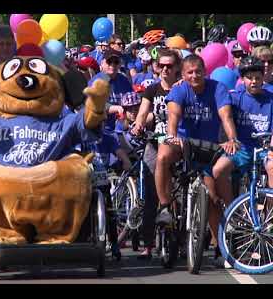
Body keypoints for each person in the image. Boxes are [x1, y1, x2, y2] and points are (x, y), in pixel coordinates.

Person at [155, 55, 239, 230]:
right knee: (162, 156)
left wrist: (232, 139)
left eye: (198, 71)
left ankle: (219, 247)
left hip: (208, 147)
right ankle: (164, 207)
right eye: (190, 72)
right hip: (182, 143)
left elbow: (226, 116)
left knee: (212, 199)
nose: (194, 76)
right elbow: (173, 116)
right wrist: (171, 136)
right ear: (183, 75)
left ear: (205, 72)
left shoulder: (218, 89)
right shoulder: (179, 90)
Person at [211, 56, 273, 267]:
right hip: (242, 148)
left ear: (263, 77)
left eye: (257, 77)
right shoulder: (235, 97)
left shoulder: (271, 98)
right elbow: (215, 100)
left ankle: (270, 217)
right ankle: (233, 210)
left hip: (265, 149)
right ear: (242, 80)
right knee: (218, 171)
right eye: (249, 78)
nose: (254, 81)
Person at [131, 48, 182, 259]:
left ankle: (183, 239)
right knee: (151, 194)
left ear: (177, 68)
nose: (165, 70)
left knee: (181, 192)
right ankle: (149, 244)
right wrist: (138, 124)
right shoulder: (152, 90)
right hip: (154, 142)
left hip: (178, 143)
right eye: (161, 65)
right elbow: (142, 113)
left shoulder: (183, 88)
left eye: (170, 66)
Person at [89, 49, 134, 133]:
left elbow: (132, 101)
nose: (112, 65)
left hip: (123, 128)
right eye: (109, 62)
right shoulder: (96, 81)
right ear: (102, 63)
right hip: (102, 128)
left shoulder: (123, 80)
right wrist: (114, 108)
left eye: (116, 62)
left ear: (120, 64)